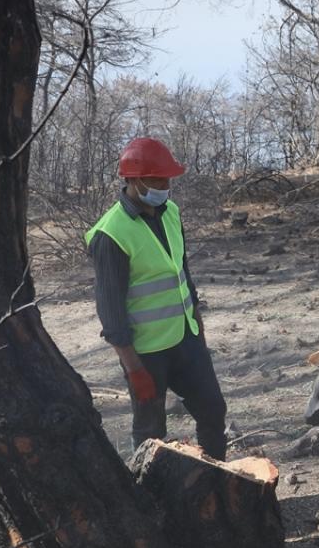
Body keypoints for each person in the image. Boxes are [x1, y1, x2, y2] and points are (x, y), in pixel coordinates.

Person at [84, 137, 228, 459]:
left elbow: (181, 271)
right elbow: (110, 311)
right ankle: (148, 487)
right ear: (133, 180)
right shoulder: (110, 234)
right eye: (156, 180)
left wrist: (198, 327)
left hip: (186, 339)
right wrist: (133, 368)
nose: (165, 186)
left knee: (213, 410)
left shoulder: (171, 212)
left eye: (167, 179)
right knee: (151, 432)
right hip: (146, 354)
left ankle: (218, 477)